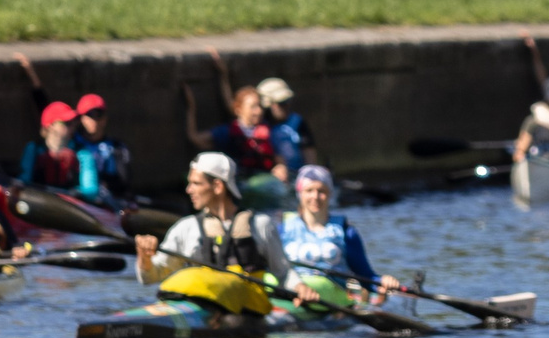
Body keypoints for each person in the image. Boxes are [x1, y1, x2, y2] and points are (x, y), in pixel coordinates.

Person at [135, 152, 313, 308]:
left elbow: (283, 273)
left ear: (218, 186)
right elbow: (150, 277)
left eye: (196, 183)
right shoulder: (185, 228)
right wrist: (144, 257)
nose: (188, 190)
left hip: (244, 320)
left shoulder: (261, 225)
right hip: (199, 310)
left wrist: (300, 288)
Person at [276, 165, 399, 304]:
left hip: (332, 298)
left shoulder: (346, 231)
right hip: (292, 295)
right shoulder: (283, 229)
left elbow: (366, 277)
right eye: (309, 190)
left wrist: (383, 282)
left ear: (330, 194)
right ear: (300, 193)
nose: (315, 196)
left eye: (321, 191)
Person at [187, 81, 291, 203]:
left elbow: (279, 161)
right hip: (238, 185)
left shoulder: (268, 131)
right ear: (239, 109)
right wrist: (191, 108)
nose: (259, 111)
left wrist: (280, 168)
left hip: (263, 183)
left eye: (259, 106)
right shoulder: (226, 132)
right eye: (253, 107)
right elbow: (195, 138)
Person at [19, 101, 83, 191]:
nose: (72, 126)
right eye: (67, 123)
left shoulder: (80, 151)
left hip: (69, 203)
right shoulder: (33, 149)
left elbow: (89, 189)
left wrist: (78, 193)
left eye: (73, 122)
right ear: (50, 125)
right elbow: (24, 180)